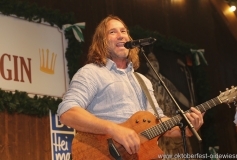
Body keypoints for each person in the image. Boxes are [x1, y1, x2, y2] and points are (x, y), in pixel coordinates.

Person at [57, 15, 204, 156]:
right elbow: (67, 112)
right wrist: (113, 128)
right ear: (102, 42)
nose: (120, 35)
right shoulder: (91, 72)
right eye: (112, 32)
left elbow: (158, 122)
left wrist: (187, 128)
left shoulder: (143, 80)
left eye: (123, 31)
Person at [145, 52, 195, 159]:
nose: (155, 64)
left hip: (173, 120)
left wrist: (191, 106)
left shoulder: (164, 80)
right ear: (148, 65)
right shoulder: (145, 81)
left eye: (156, 62)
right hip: (158, 123)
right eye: (152, 63)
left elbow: (177, 93)